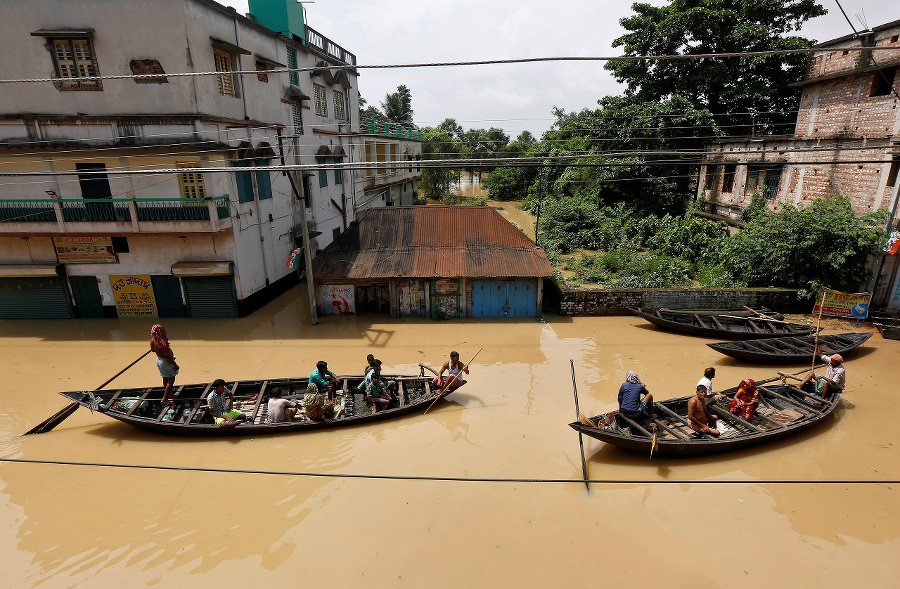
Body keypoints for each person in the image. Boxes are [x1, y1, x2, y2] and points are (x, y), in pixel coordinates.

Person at [151, 324, 179, 404]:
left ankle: (170, 395)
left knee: (165, 378)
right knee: (171, 380)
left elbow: (152, 350)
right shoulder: (162, 342)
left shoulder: (153, 340)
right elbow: (168, 356)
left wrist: (158, 349)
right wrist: (175, 364)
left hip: (159, 360)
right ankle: (165, 399)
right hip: (166, 362)